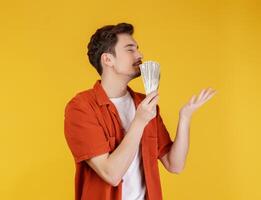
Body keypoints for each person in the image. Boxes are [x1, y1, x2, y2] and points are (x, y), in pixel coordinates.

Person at [64, 22, 217, 200]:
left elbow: (175, 164)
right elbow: (111, 174)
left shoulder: (143, 104)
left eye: (138, 48)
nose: (140, 55)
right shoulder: (81, 108)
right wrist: (140, 121)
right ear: (108, 59)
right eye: (130, 49)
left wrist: (185, 117)